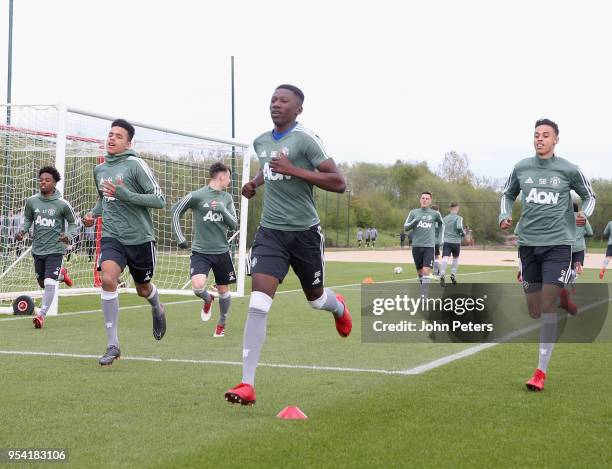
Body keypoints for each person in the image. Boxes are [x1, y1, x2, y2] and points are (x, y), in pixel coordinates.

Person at [225, 84, 351, 406]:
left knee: (316, 299)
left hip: (305, 235)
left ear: (298, 109)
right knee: (257, 304)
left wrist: (294, 170)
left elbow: (339, 183)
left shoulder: (306, 140)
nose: (276, 104)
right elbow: (269, 167)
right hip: (271, 234)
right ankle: (247, 384)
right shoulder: (261, 141)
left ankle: (338, 307)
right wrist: (254, 183)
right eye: (273, 100)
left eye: (284, 101)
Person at [499, 118, 595, 392]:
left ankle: (540, 372)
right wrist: (504, 213)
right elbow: (507, 194)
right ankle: (561, 294)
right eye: (536, 135)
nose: (540, 139)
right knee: (533, 311)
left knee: (547, 307)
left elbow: (589, 197)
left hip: (558, 244)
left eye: (545, 135)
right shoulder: (521, 167)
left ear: (556, 140)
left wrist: (582, 214)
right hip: (528, 244)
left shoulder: (568, 169)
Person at [82, 118, 167, 367]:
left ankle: (157, 307)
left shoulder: (135, 165)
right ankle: (113, 345)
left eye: (118, 136)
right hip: (112, 236)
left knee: (143, 289)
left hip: (140, 239)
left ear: (129, 142)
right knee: (107, 280)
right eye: (110, 134)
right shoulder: (100, 169)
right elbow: (104, 199)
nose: (112, 138)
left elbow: (159, 200)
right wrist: (93, 214)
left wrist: (125, 194)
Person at [171, 161, 238, 338]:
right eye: (228, 178)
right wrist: (180, 237)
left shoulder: (227, 199)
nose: (229, 181)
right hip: (200, 251)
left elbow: (234, 224)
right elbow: (175, 210)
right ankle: (208, 299)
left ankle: (222, 322)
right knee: (198, 287)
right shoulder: (197, 195)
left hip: (222, 252)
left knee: (224, 290)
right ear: (222, 176)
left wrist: (223, 210)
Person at [15, 167, 76, 328]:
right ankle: (61, 275)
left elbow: (73, 223)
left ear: (54, 182)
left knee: (49, 283)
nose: (43, 182)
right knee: (42, 282)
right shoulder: (32, 201)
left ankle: (41, 315)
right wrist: (23, 230)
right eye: (41, 179)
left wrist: (68, 236)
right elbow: (28, 219)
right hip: (38, 249)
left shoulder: (62, 204)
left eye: (47, 180)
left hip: (56, 249)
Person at [403, 191, 444, 295]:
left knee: (426, 271)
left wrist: (440, 239)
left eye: (427, 198)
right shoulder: (413, 212)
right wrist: (415, 221)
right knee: (420, 272)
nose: (425, 200)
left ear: (430, 201)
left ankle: (424, 294)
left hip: (429, 247)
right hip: (416, 246)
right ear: (420, 200)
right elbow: (406, 227)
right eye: (423, 198)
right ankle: (424, 289)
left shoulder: (435, 214)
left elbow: (441, 224)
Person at [439, 202, 466, 286]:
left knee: (445, 258)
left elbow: (441, 229)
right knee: (455, 259)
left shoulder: (445, 218)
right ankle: (453, 275)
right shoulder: (459, 218)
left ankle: (442, 274)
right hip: (456, 242)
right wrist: (463, 233)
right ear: (457, 208)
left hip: (446, 241)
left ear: (450, 208)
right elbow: (459, 227)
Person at [431, 205, 442, 275]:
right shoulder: (437, 220)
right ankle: (436, 271)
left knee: (433, 256)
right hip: (435, 241)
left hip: (429, 240)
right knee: (436, 256)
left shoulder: (429, 218)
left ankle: (436, 271)